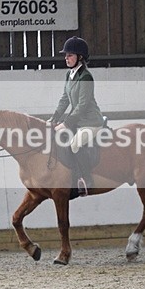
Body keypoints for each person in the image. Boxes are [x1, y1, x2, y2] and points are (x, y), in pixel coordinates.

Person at [47, 36, 105, 196]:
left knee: (75, 144)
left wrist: (65, 123)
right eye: (65, 55)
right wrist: (54, 117)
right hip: (78, 122)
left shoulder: (86, 76)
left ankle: (87, 179)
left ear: (80, 57)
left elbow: (82, 105)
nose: (66, 58)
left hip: (91, 122)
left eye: (70, 55)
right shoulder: (69, 74)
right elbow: (65, 98)